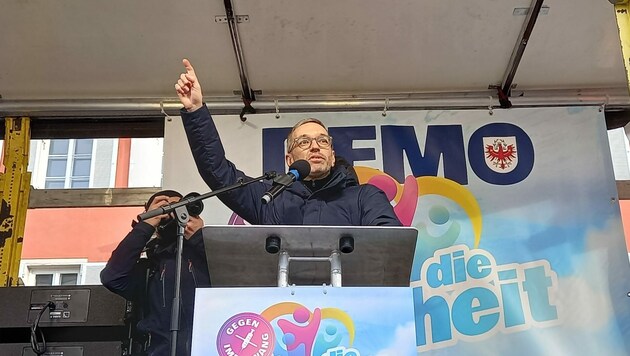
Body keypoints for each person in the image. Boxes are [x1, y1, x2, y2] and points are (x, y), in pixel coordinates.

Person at [175, 59, 401, 226]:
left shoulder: (365, 197)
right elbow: (217, 172)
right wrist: (195, 111)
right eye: (304, 142)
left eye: (322, 141)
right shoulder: (269, 198)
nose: (315, 146)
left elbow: (391, 248)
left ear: (332, 156)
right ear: (289, 159)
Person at [100, 190, 210, 356]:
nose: (174, 214)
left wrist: (200, 239)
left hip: (210, 348)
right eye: (166, 209)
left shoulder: (208, 257)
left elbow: (240, 279)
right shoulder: (149, 267)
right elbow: (112, 277)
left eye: (180, 208)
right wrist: (146, 224)